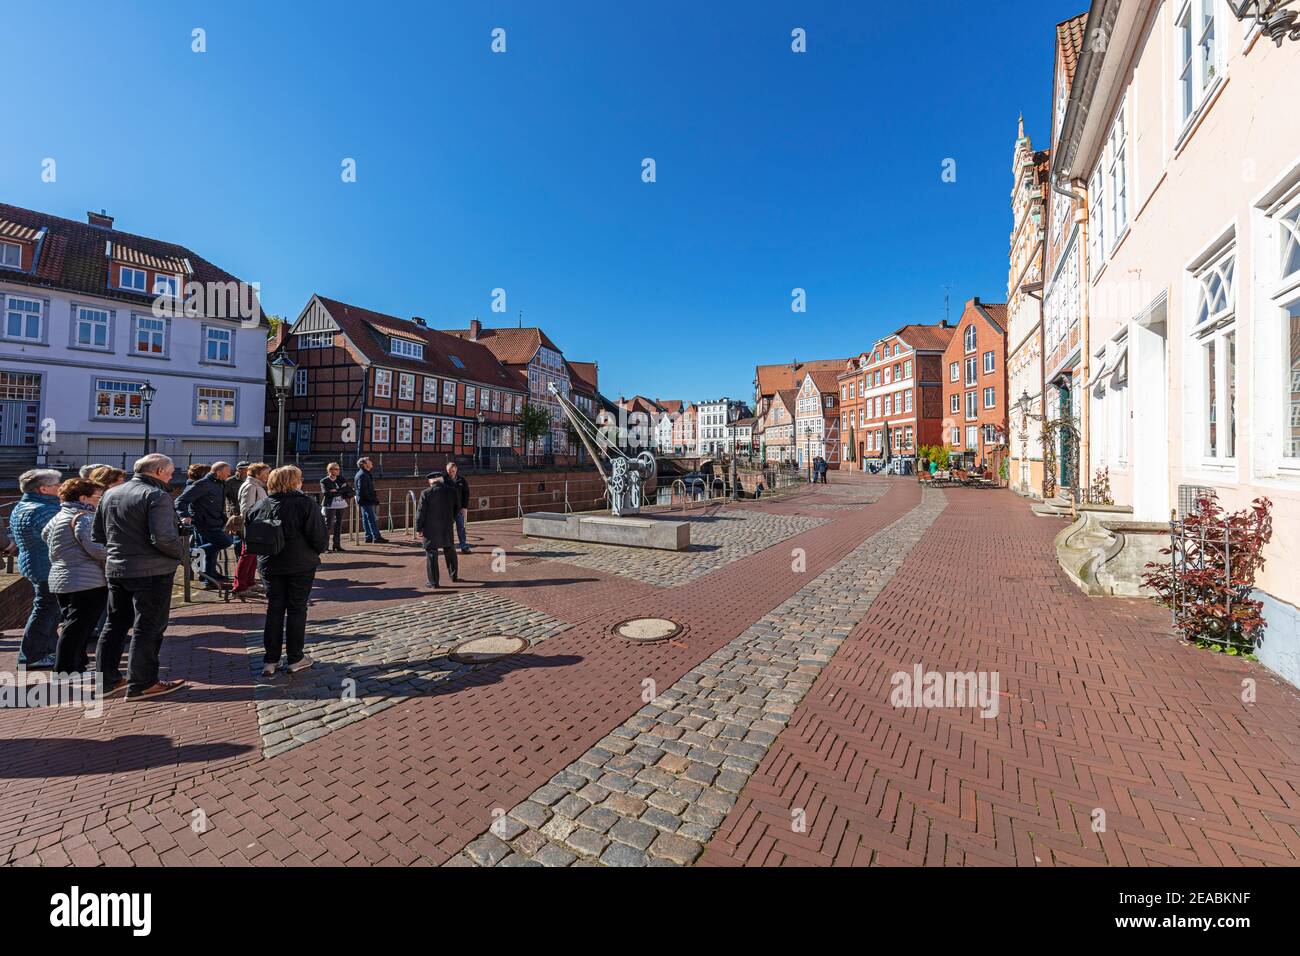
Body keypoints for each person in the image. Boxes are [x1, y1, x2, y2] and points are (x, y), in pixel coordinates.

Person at [93, 453, 187, 700]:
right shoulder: (157, 495)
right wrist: (180, 555)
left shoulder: (110, 494)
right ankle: (143, 683)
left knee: (114, 624)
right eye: (170, 471)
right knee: (148, 626)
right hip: (152, 571)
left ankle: (108, 680)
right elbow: (164, 537)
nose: (171, 476)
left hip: (117, 568)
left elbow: (99, 535)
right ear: (158, 471)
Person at [251, 465, 326, 677]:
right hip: (299, 564)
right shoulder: (305, 504)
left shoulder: (261, 505)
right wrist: (315, 552)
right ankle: (295, 657)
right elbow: (318, 536)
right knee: (296, 609)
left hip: (270, 564)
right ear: (294, 482)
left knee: (274, 609)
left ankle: (270, 660)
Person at [44, 477, 107, 676]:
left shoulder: (58, 516)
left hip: (60, 576)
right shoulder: (83, 517)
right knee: (78, 627)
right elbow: (96, 549)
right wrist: (115, 551)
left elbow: (45, 535)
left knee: (73, 624)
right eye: (97, 496)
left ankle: (78, 665)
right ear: (83, 497)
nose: (99, 500)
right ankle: (65, 669)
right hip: (85, 579)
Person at [9, 469, 63, 668]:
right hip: (46, 566)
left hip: (35, 563)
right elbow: (61, 539)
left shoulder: (23, 505)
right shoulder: (43, 510)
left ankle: (47, 651)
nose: (60, 488)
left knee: (48, 609)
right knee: (45, 610)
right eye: (57, 485)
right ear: (44, 489)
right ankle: (32, 656)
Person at [176, 460, 233, 582]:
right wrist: (184, 515)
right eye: (227, 472)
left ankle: (209, 577)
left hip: (215, 521)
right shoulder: (203, 484)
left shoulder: (220, 483)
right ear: (218, 472)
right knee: (226, 542)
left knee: (212, 551)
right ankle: (187, 553)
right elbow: (180, 500)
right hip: (204, 523)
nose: (229, 475)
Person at [416, 471, 459, 588]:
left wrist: (418, 528)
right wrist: (451, 520)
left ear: (431, 482)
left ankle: (434, 582)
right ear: (441, 480)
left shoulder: (426, 493)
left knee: (431, 554)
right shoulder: (451, 491)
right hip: (447, 526)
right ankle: (454, 576)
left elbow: (420, 513)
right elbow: (457, 508)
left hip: (430, 529)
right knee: (450, 550)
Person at [233, 463, 270, 595]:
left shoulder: (256, 486)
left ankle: (249, 583)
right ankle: (240, 587)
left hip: (256, 526)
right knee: (247, 556)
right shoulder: (250, 487)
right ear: (257, 474)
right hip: (252, 528)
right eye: (266, 473)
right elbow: (246, 510)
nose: (268, 476)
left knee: (252, 556)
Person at [319, 462, 353, 552]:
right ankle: (325, 547)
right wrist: (341, 490)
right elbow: (327, 493)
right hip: (329, 505)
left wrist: (336, 490)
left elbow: (348, 489)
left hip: (341, 504)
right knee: (328, 526)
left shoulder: (341, 478)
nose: (339, 471)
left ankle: (337, 545)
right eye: (336, 469)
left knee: (339, 525)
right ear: (331, 470)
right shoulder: (324, 481)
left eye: (338, 469)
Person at [353, 457, 387, 544]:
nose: (371, 462)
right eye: (369, 461)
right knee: (371, 518)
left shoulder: (363, 473)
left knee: (366, 518)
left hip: (363, 500)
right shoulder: (363, 475)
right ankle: (376, 537)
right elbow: (362, 490)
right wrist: (372, 499)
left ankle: (368, 536)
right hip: (366, 500)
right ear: (364, 465)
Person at [444, 461, 471, 554]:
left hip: (459, 509)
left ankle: (464, 546)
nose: (451, 473)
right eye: (449, 471)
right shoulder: (443, 480)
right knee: (448, 528)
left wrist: (464, 507)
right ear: (446, 470)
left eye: (453, 471)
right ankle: (449, 547)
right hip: (447, 510)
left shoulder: (462, 480)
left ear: (456, 470)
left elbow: (466, 494)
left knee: (461, 528)